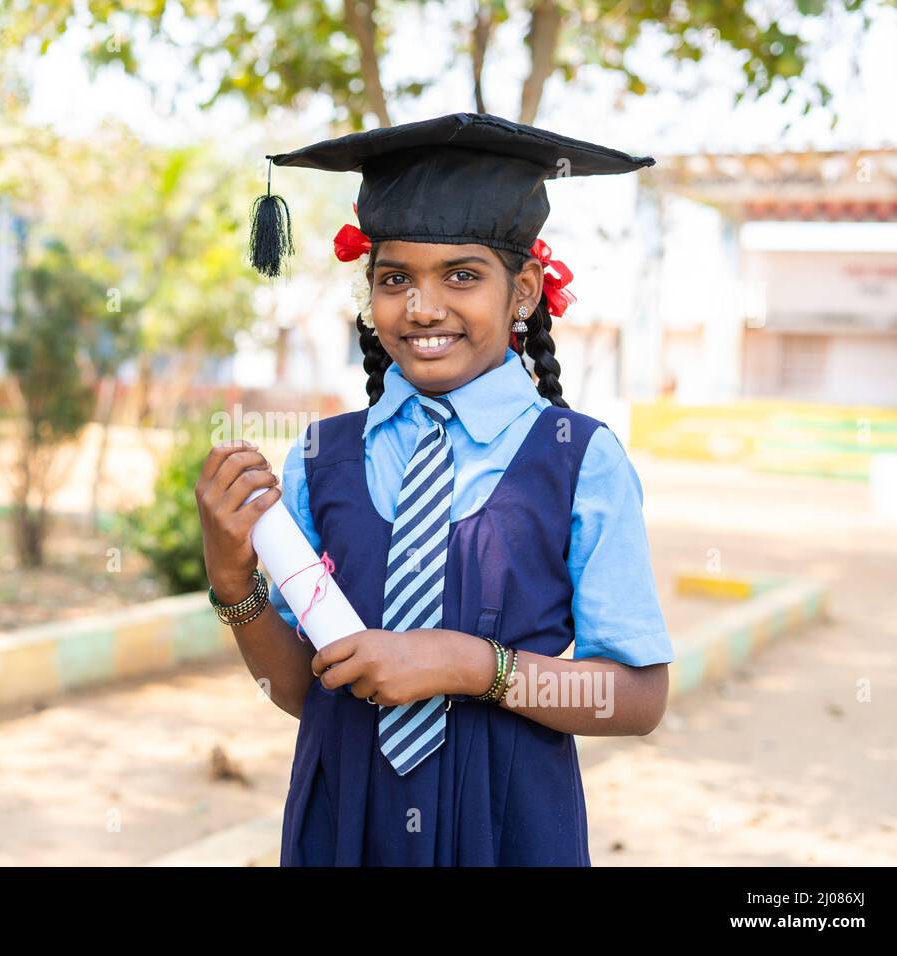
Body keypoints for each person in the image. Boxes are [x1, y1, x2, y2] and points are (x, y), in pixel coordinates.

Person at [195, 112, 673, 866]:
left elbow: (635, 700)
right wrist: (232, 577)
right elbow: (300, 690)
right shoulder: (323, 456)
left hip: (508, 828)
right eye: (395, 279)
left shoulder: (579, 459)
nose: (422, 307)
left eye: (461, 275)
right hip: (343, 824)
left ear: (523, 292)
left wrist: (471, 665)